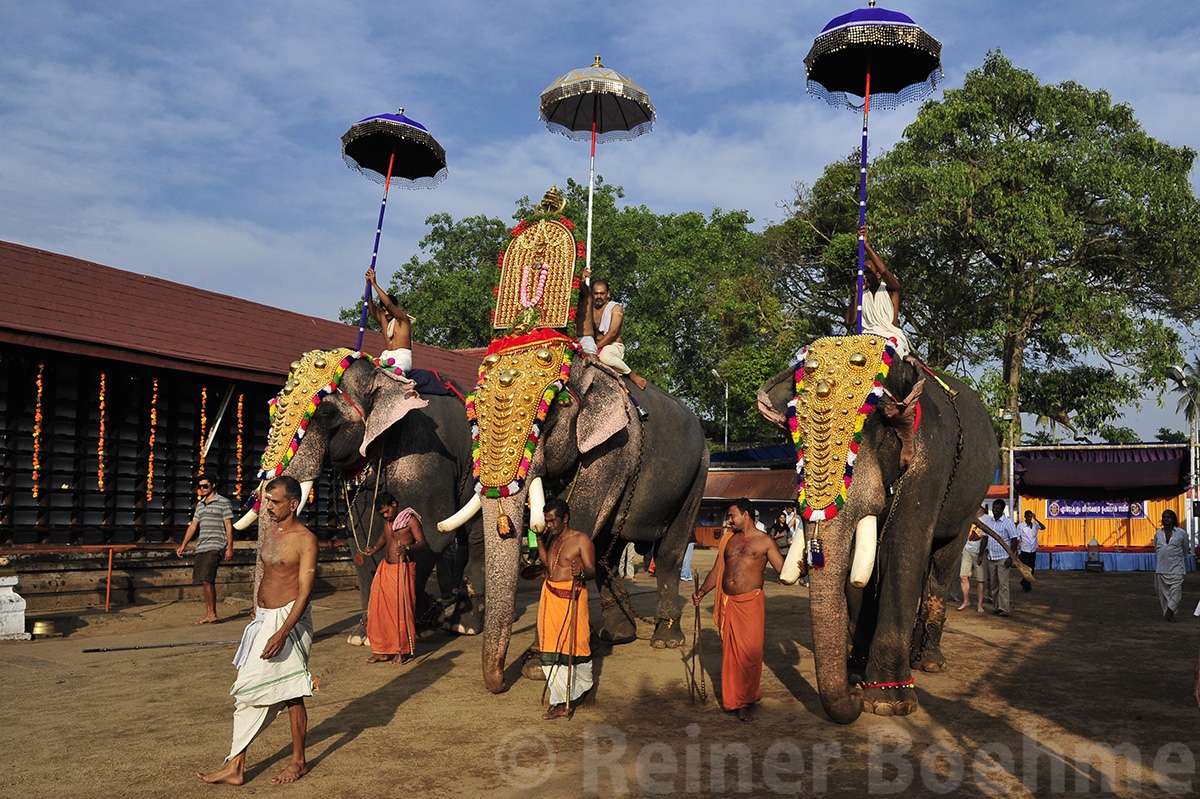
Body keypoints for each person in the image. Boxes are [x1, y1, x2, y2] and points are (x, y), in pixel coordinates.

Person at [198, 476, 317, 785]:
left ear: (293, 503)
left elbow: (304, 592)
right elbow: (265, 572)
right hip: (264, 618)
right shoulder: (268, 532)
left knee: (291, 692)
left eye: (274, 502)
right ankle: (236, 766)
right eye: (267, 501)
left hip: (289, 622)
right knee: (249, 690)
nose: (268, 507)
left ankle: (299, 761)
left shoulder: (306, 539)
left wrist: (281, 632)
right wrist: (258, 608)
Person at [692, 497, 789, 722]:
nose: (729, 520)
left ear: (745, 515)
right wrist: (702, 591)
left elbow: (783, 573)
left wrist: (800, 570)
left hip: (750, 604)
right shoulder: (729, 540)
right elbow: (718, 570)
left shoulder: (765, 542)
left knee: (750, 655)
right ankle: (738, 699)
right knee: (731, 656)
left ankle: (745, 699)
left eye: (732, 516)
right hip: (729, 603)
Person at [534, 498, 596, 720]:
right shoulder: (553, 539)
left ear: (565, 518)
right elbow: (550, 567)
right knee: (551, 647)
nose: (549, 525)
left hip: (573, 597)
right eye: (547, 521)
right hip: (551, 596)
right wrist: (540, 540)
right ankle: (561, 701)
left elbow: (592, 571)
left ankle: (585, 687)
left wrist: (581, 572)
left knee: (577, 645)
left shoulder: (581, 540)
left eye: (552, 521)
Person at [362, 492, 427, 663]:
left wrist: (408, 548)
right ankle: (381, 650)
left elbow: (422, 543)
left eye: (387, 511)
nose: (385, 515)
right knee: (378, 610)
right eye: (382, 513)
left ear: (394, 504)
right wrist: (374, 549)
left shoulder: (410, 519)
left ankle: (402, 650)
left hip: (402, 569)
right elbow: (385, 537)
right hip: (386, 568)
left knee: (400, 611)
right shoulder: (387, 521)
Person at [175, 474, 234, 625]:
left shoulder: (223, 502)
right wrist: (183, 545)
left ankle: (212, 614)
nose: (202, 489)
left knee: (207, 577)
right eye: (200, 486)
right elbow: (193, 525)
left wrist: (229, 547)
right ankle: (209, 613)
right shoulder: (200, 505)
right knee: (203, 580)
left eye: (205, 486)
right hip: (202, 545)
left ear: (213, 485)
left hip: (216, 544)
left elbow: (228, 525)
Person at [576, 267, 647, 390]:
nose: (599, 296)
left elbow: (612, 333)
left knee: (605, 358)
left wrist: (594, 349)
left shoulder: (616, 308)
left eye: (602, 293)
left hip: (612, 346)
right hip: (593, 346)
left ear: (607, 294)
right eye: (596, 293)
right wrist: (582, 280)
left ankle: (631, 374)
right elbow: (581, 297)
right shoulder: (589, 308)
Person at [844, 226, 910, 356]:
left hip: (890, 338)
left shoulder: (890, 289)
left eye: (868, 272)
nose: (864, 276)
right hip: (865, 339)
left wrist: (867, 245)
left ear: (878, 274)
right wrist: (857, 294)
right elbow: (849, 321)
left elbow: (885, 271)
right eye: (862, 273)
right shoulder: (863, 295)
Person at [365, 267, 413, 372]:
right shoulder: (384, 320)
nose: (386, 313)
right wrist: (368, 284)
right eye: (384, 310)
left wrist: (374, 283)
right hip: (386, 356)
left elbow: (388, 303)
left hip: (402, 358)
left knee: (396, 371)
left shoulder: (403, 320)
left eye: (388, 310)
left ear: (396, 309)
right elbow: (370, 305)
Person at [979, 499, 1019, 617]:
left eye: (997, 508)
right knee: (994, 585)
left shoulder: (1008, 523)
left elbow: (1014, 540)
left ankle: (1004, 608)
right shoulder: (989, 522)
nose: (995, 510)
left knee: (1003, 585)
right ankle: (996, 607)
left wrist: (1011, 557)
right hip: (991, 557)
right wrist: (981, 554)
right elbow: (985, 538)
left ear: (1002, 509)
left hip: (1003, 558)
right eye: (994, 508)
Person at [1154, 509, 1189, 622]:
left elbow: (1185, 551)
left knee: (1176, 592)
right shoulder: (1158, 534)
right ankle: (1167, 613)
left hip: (1177, 569)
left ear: (1174, 519)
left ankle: (1169, 612)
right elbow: (1157, 548)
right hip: (1161, 569)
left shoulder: (1181, 533)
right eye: (1164, 517)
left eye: (1169, 517)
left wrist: (1178, 561)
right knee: (1163, 595)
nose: (1166, 519)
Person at [956, 522, 986, 613]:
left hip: (979, 552)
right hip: (967, 551)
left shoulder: (987, 520)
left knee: (980, 580)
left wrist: (981, 554)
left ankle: (979, 605)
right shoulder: (969, 518)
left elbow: (985, 538)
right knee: (963, 576)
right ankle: (966, 601)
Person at [1016, 509, 1046, 593]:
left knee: (1032, 569)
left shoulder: (1035, 525)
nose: (1030, 518)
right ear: (1025, 517)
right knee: (1027, 569)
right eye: (1028, 517)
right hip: (1025, 549)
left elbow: (1043, 527)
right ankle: (1027, 587)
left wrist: (1036, 519)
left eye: (1031, 517)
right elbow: (1018, 537)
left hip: (1033, 549)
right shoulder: (1021, 526)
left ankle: (1023, 582)